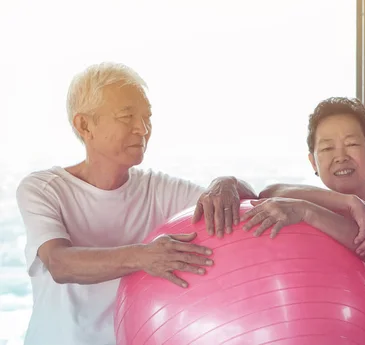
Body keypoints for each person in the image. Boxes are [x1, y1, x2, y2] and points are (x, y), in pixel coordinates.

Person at [15, 62, 257, 345]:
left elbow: (242, 202)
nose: (142, 129)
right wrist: (145, 256)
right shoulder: (43, 188)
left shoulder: (157, 188)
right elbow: (60, 264)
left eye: (147, 117)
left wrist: (227, 182)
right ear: (84, 125)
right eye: (126, 116)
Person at [241, 97, 365, 345]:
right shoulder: (303, 221)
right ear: (313, 162)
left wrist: (308, 212)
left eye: (352, 144)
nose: (340, 156)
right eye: (327, 149)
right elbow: (268, 193)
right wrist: (346, 203)